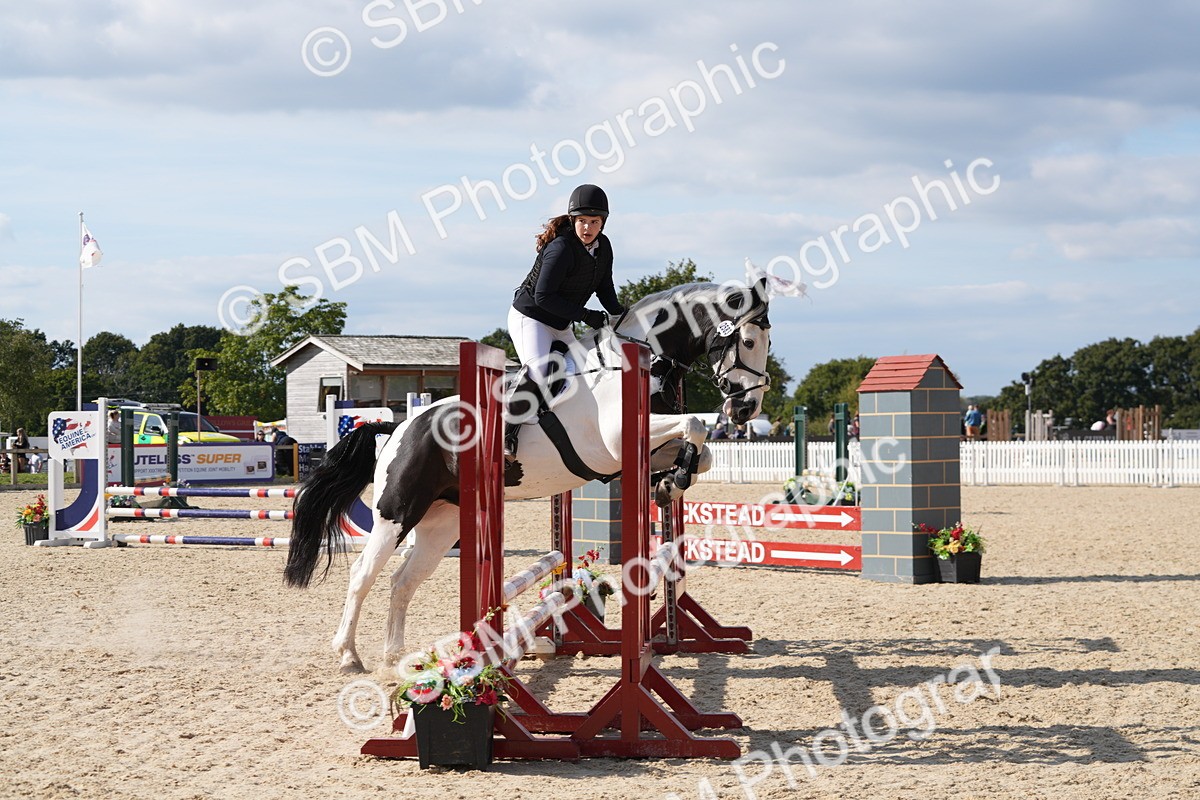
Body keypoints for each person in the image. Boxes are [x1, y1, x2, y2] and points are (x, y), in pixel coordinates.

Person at [503, 184, 626, 461]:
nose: (588, 228)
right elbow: (544, 297)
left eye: (594, 222)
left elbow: (604, 287)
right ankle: (507, 433)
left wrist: (619, 312)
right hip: (531, 317)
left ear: (603, 223)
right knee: (540, 369)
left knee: (588, 368)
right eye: (582, 221)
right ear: (573, 220)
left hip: (560, 322)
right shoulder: (560, 248)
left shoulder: (603, 247)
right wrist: (585, 315)